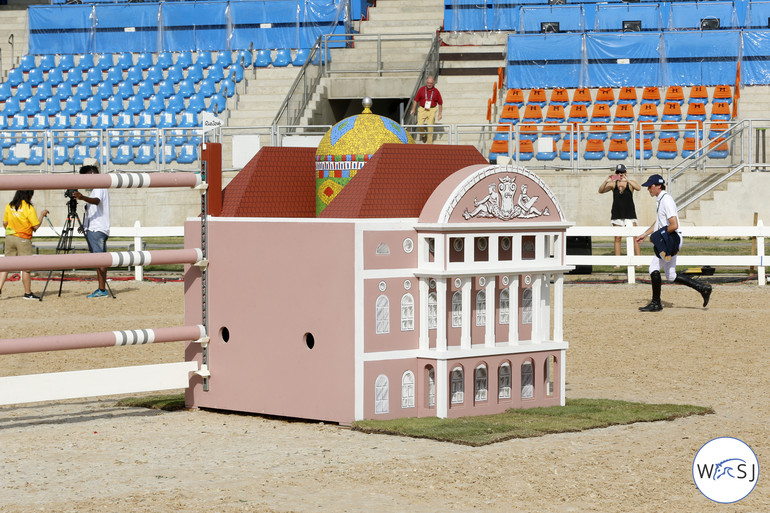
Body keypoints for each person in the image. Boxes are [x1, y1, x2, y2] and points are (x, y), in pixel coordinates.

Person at [635, 174, 712, 312]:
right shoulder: (661, 200)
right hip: (670, 239)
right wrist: (646, 234)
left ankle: (656, 303)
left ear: (658, 185)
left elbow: (674, 225)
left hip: (670, 239)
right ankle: (703, 288)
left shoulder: (666, 200)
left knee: (653, 268)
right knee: (671, 275)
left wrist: (658, 236)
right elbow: (659, 222)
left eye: (650, 186)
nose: (648, 189)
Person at [0, 190, 49, 300]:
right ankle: (27, 293)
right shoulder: (28, 207)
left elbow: (4, 223)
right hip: (23, 238)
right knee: (26, 267)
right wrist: (42, 214)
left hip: (9, 237)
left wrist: (11, 231)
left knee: (5, 265)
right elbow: (35, 226)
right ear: (28, 195)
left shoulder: (10, 205)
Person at [72, 162, 110, 298]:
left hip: (97, 230)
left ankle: (102, 289)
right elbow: (94, 209)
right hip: (93, 228)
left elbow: (96, 201)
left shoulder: (99, 186)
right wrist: (85, 226)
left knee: (100, 259)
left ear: (92, 174)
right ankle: (101, 288)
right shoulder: (96, 188)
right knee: (98, 260)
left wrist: (82, 197)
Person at [599, 164, 641, 257]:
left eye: (622, 172)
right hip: (617, 214)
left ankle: (638, 261)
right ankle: (617, 262)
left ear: (625, 172)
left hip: (630, 214)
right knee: (617, 238)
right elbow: (600, 191)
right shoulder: (613, 184)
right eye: (618, 172)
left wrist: (627, 180)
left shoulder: (630, 183)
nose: (620, 174)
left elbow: (638, 188)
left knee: (635, 238)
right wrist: (606, 181)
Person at [410, 75, 443, 144]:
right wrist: (413, 109)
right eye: (428, 83)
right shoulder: (421, 89)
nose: (429, 85)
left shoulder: (436, 91)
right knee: (419, 124)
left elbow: (440, 103)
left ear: (433, 83)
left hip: (432, 109)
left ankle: (429, 144)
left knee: (430, 127)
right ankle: (423, 134)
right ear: (426, 82)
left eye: (431, 83)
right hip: (422, 108)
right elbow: (416, 100)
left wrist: (440, 113)